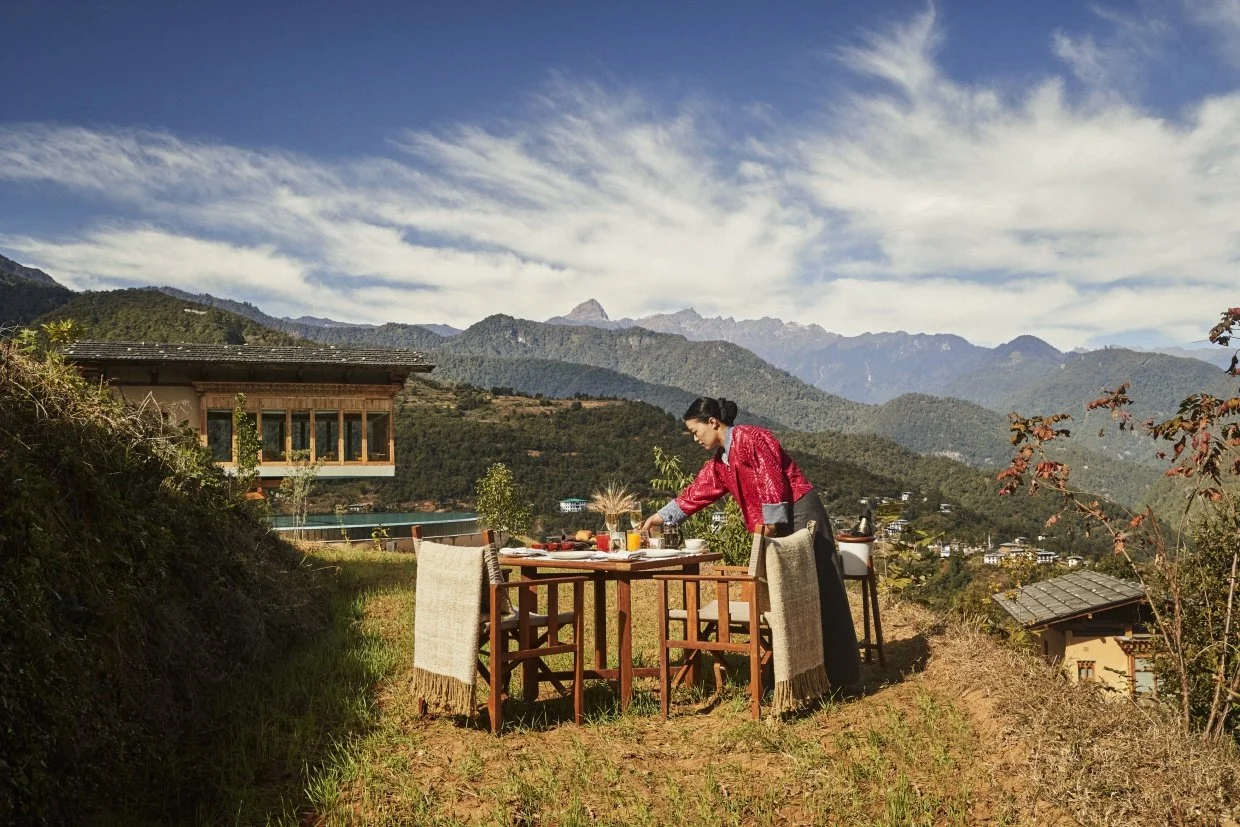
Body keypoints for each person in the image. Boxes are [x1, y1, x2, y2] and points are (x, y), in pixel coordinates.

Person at [642, 396, 861, 690]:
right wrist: (660, 516)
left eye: (696, 431)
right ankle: (794, 677)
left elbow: (772, 477)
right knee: (784, 599)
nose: (695, 439)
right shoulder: (720, 462)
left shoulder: (750, 437)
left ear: (713, 422)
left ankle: (845, 679)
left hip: (799, 512)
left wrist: (770, 524)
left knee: (822, 591)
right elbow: (698, 492)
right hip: (773, 525)